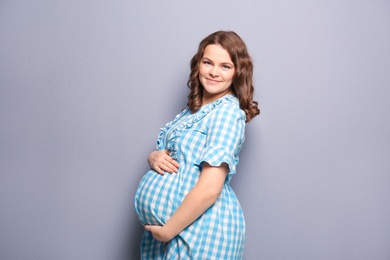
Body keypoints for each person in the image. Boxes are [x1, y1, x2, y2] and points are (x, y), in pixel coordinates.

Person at [134, 30, 260, 259]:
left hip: (201, 233)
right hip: (177, 232)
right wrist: (154, 157)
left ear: (237, 72)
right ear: (198, 65)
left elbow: (210, 188)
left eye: (225, 66)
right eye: (208, 62)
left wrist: (167, 231)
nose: (213, 72)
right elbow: (178, 155)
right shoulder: (194, 111)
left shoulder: (227, 113)